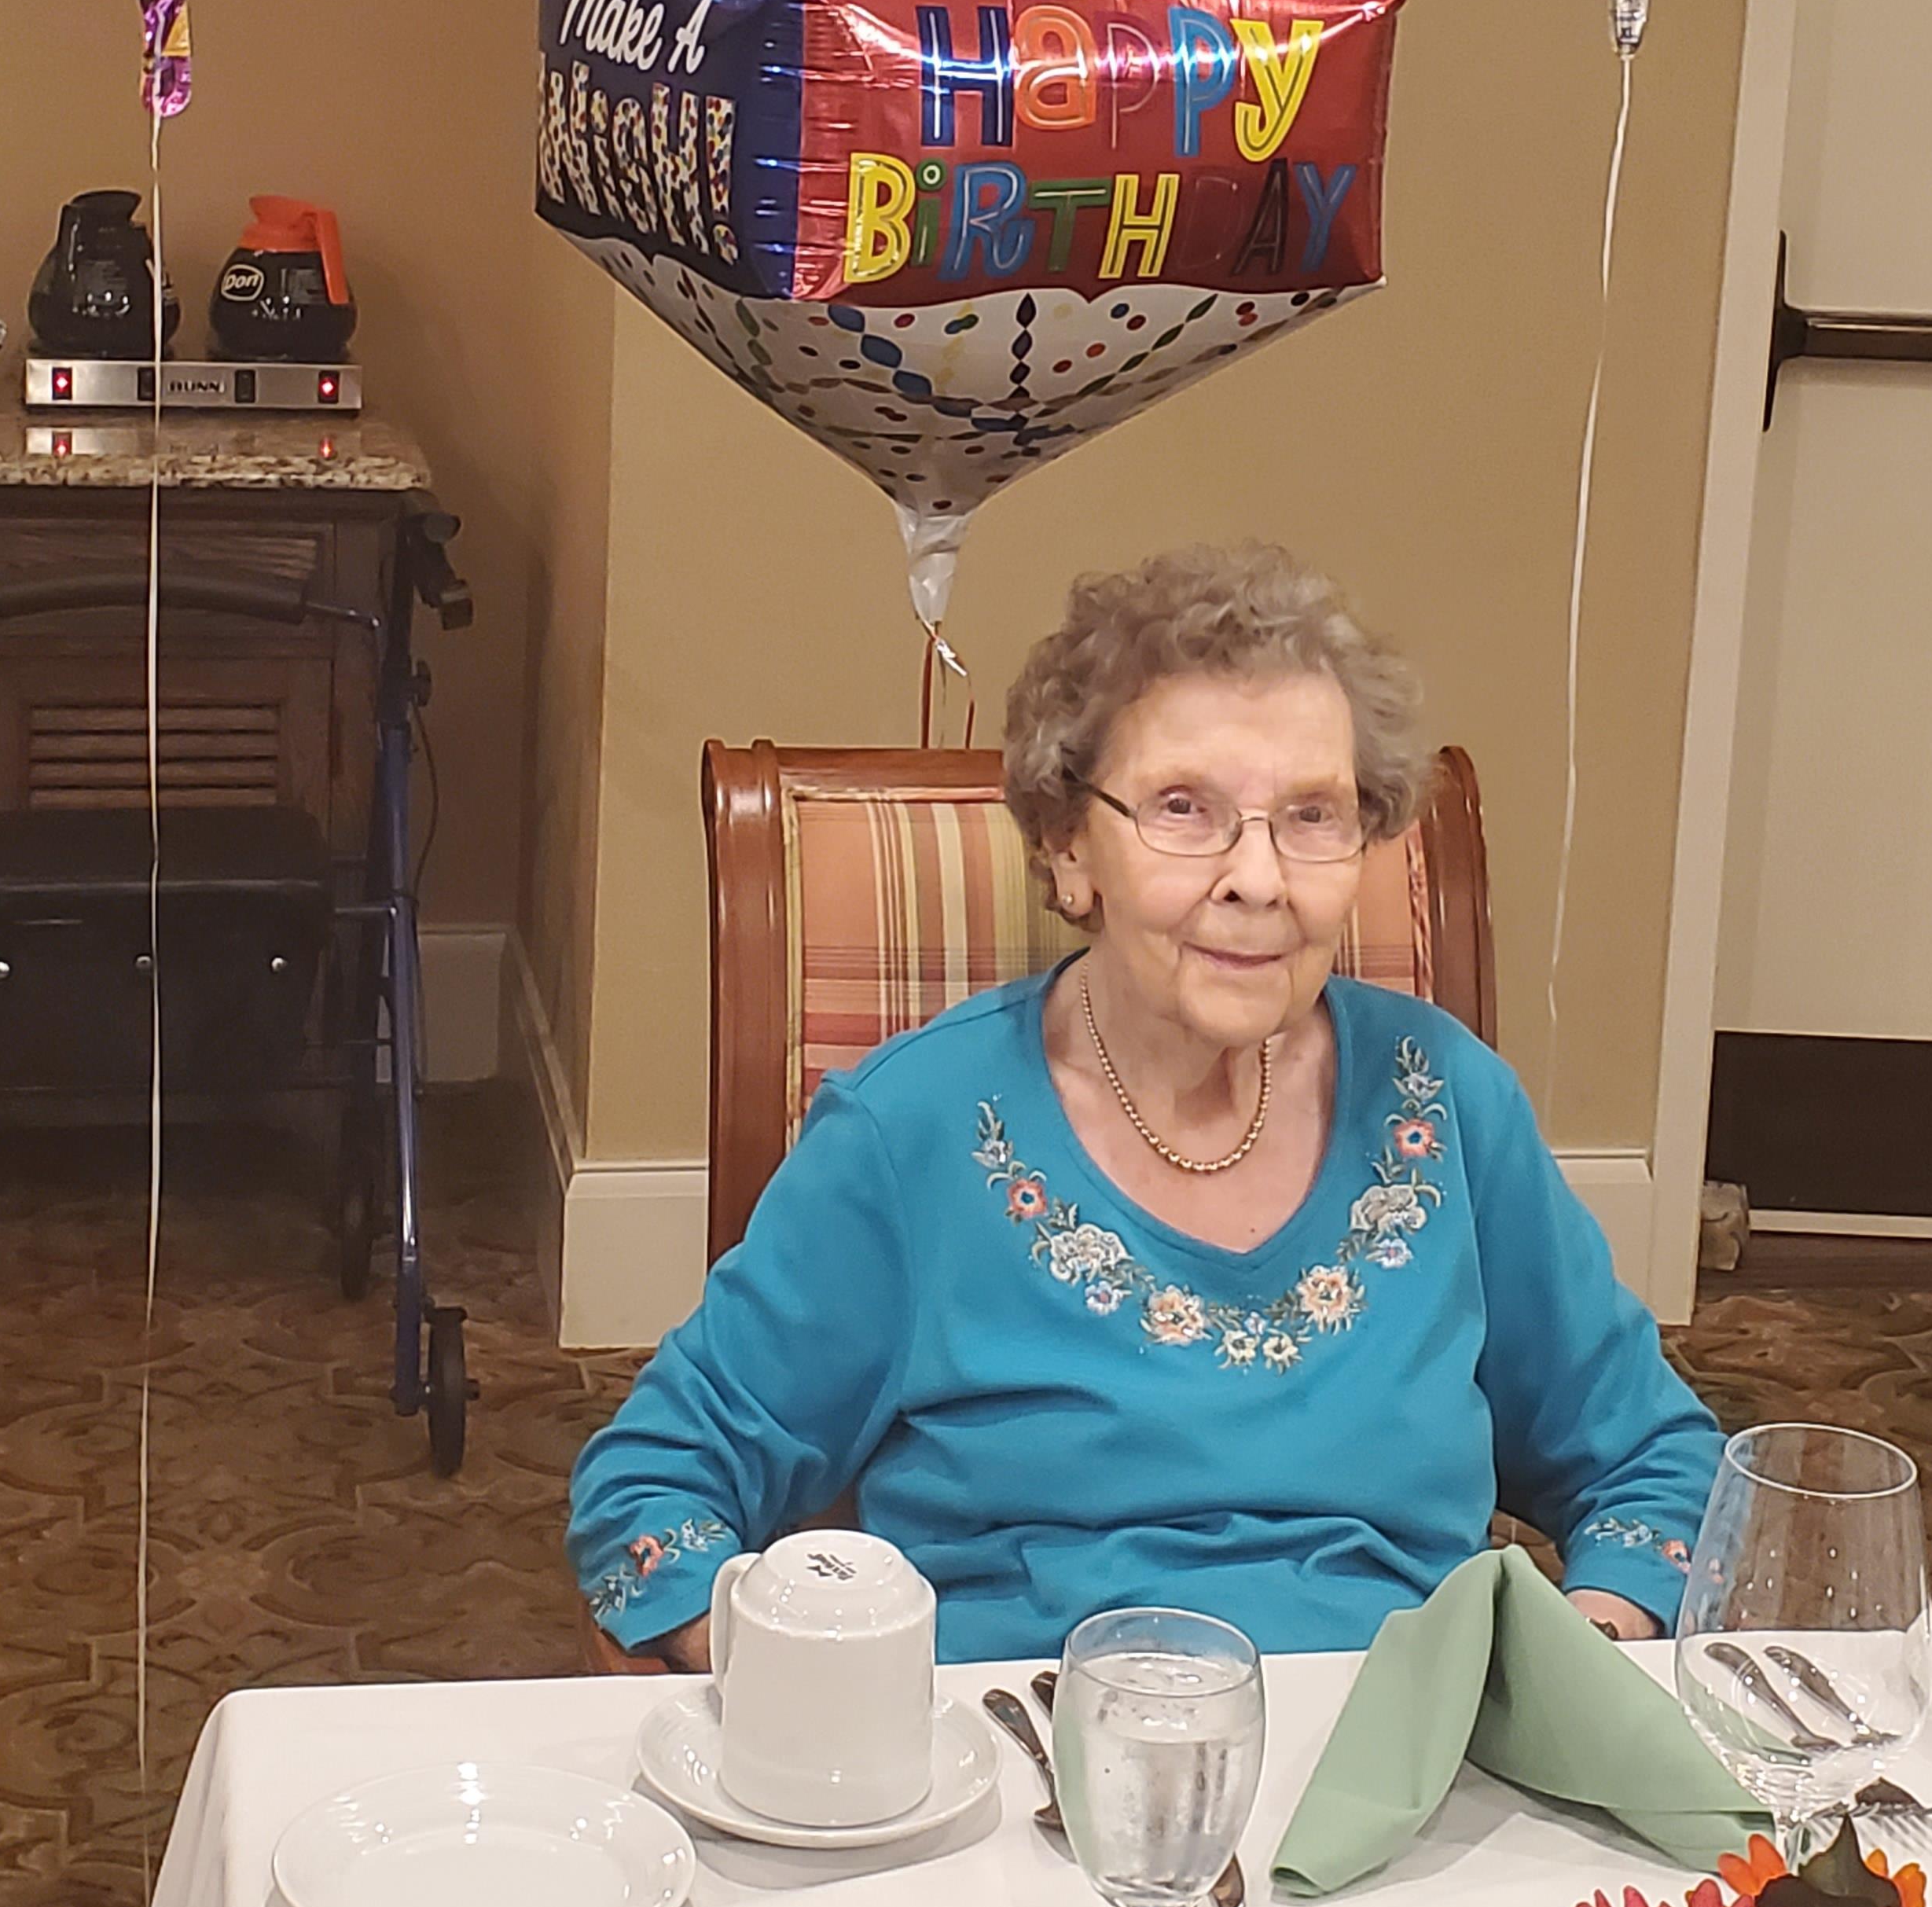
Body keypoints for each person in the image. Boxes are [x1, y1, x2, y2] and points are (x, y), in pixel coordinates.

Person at [567, 545, 1720, 1666]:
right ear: (1071, 849)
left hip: (1399, 1781)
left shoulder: (1447, 1101)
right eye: (1184, 809)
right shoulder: (911, 1131)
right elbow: (653, 1493)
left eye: (1314, 817)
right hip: (1029, 1781)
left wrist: (1580, 1655)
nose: (1258, 879)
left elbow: (1653, 1460)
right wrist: (811, 1695)